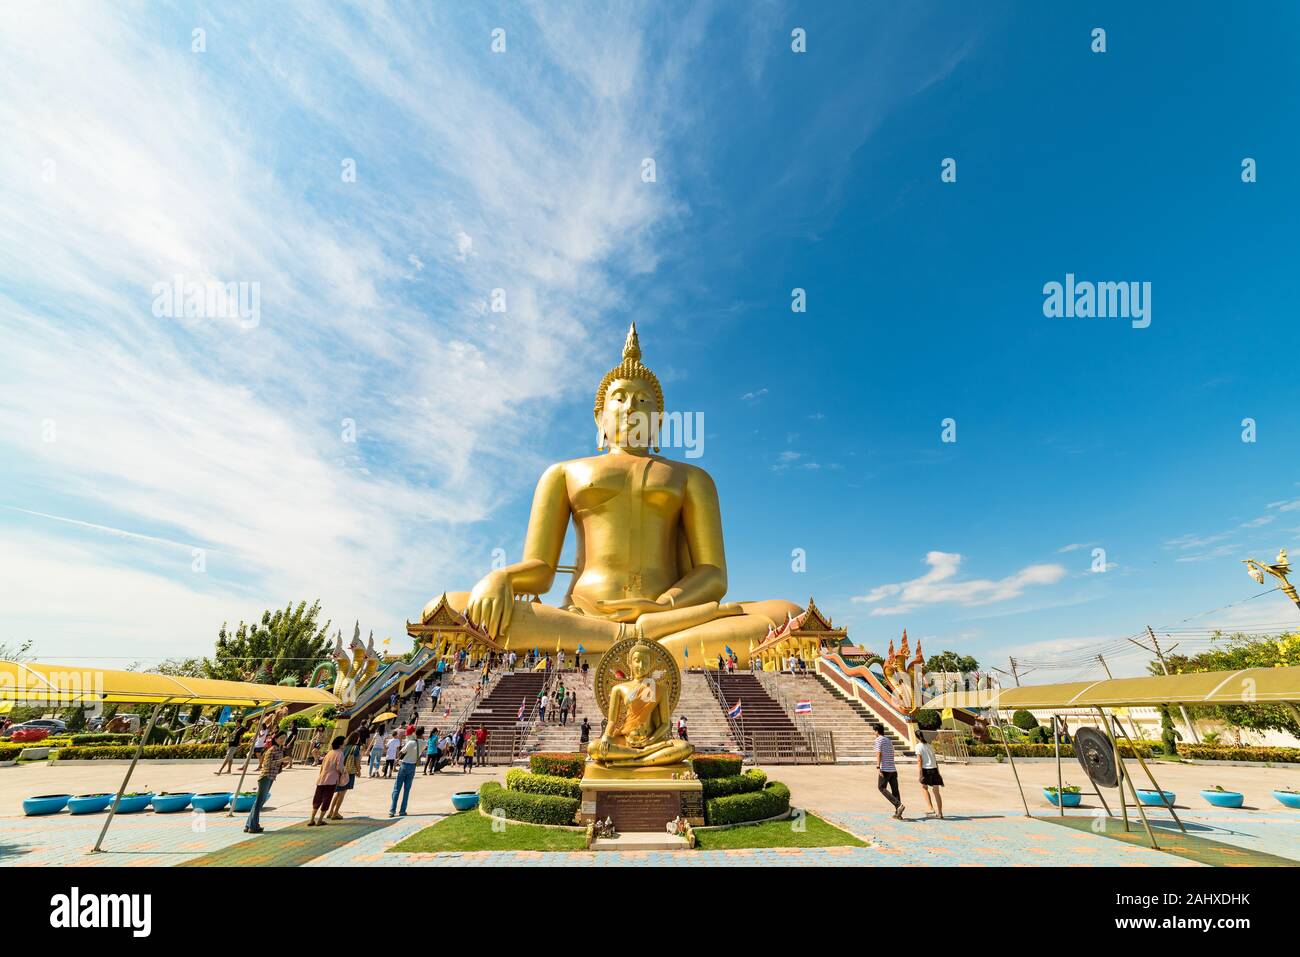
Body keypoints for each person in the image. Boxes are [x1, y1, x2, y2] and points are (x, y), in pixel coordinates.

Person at [244, 730, 286, 834]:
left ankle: (249, 825)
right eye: (281, 738)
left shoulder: (280, 750)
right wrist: (281, 761)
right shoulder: (272, 749)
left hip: (271, 777)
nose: (282, 740)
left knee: (259, 802)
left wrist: (282, 764)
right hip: (265, 777)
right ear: (275, 739)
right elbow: (267, 765)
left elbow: (275, 765)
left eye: (284, 738)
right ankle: (253, 826)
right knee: (259, 802)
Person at [308, 735, 346, 826]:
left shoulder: (329, 753)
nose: (345, 743)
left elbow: (322, 765)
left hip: (322, 779)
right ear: (341, 744)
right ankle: (320, 819)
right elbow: (339, 767)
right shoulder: (340, 753)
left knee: (317, 799)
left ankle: (312, 819)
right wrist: (343, 772)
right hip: (331, 780)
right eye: (344, 742)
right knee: (326, 799)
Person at [327, 732, 363, 821]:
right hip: (348, 773)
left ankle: (331, 811)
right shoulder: (355, 748)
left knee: (338, 792)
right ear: (356, 739)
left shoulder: (343, 747)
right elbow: (357, 761)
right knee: (342, 793)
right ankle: (335, 813)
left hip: (340, 772)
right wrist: (359, 771)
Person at [389, 726, 422, 817]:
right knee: (406, 790)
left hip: (404, 765)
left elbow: (401, 753)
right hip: (413, 767)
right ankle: (402, 811)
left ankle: (392, 810)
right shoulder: (422, 743)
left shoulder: (410, 743)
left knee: (396, 789)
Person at [874, 723, 904, 819]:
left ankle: (898, 805)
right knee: (895, 790)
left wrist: (878, 767)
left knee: (881, 787)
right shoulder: (888, 740)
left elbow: (879, 754)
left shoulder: (878, 740)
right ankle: (898, 814)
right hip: (893, 769)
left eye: (874, 731)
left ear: (877, 731)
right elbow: (892, 753)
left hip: (885, 769)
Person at [916, 733, 944, 818]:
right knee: (936, 792)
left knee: (924, 788)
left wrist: (920, 773)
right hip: (934, 769)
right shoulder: (930, 746)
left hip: (926, 769)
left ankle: (930, 808)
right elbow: (935, 760)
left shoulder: (918, 746)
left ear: (917, 737)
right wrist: (939, 773)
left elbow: (919, 761)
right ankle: (940, 813)